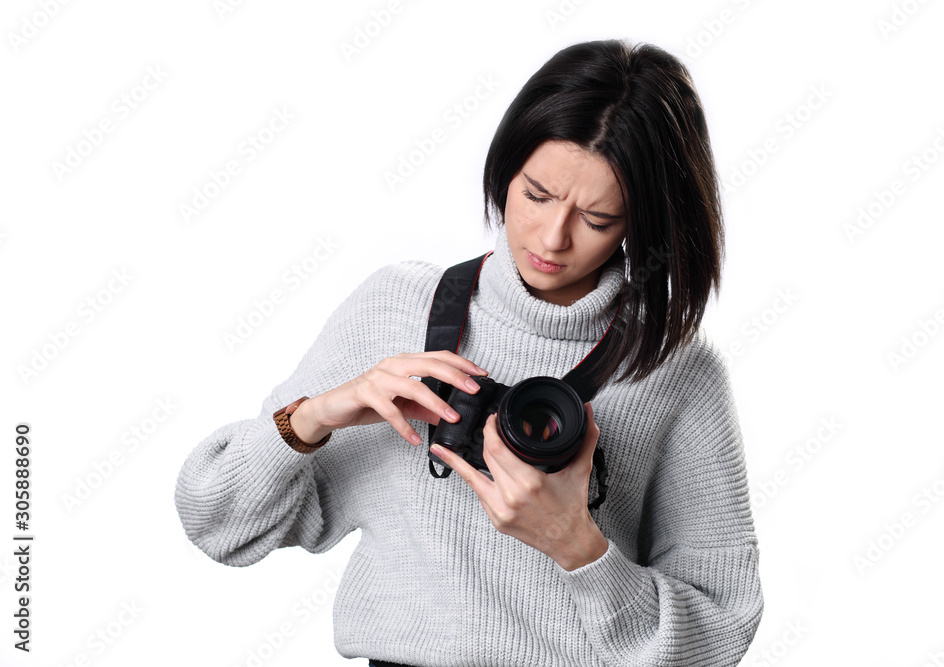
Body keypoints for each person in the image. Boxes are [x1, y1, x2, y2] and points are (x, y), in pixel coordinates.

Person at [175, 38, 764, 667]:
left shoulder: (677, 371)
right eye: (536, 195)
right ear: (505, 169)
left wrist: (578, 549)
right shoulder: (398, 310)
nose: (552, 237)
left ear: (643, 226)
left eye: (597, 218)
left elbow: (721, 630)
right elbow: (217, 521)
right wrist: (317, 414)